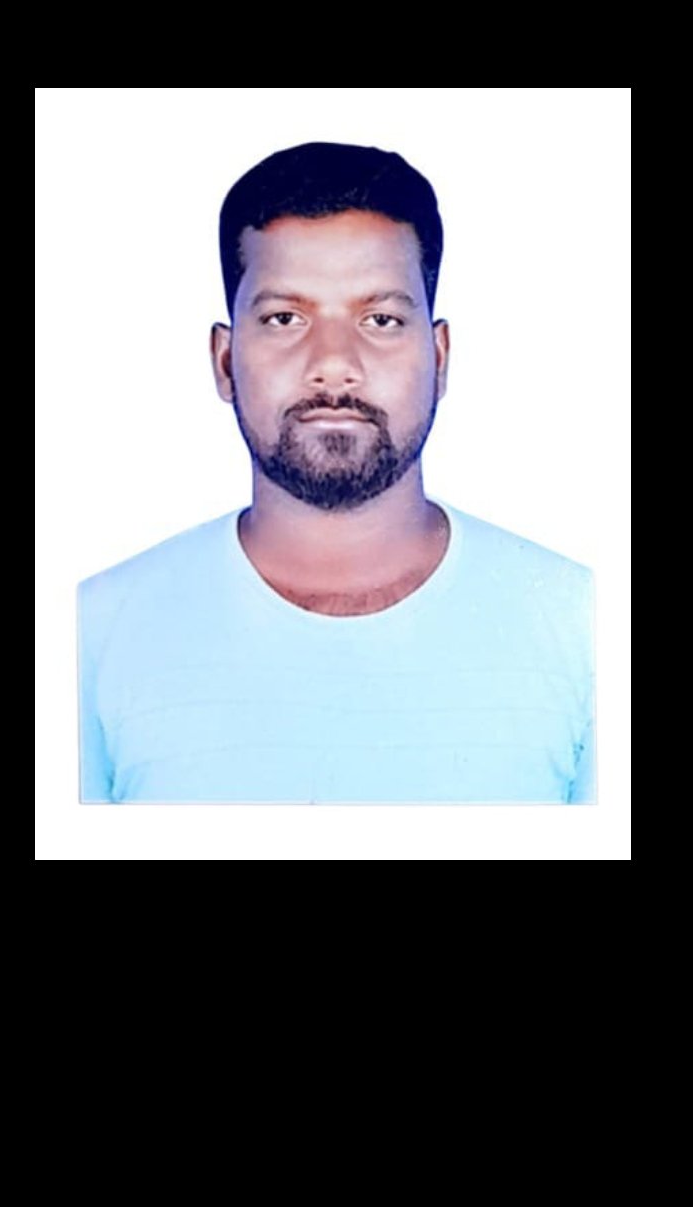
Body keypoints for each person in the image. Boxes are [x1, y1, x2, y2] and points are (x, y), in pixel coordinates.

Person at [77, 141, 596, 804]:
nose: (333, 364)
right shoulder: (88, 636)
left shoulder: (588, 629)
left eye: (380, 319)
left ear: (439, 358)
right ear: (226, 362)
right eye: (284, 318)